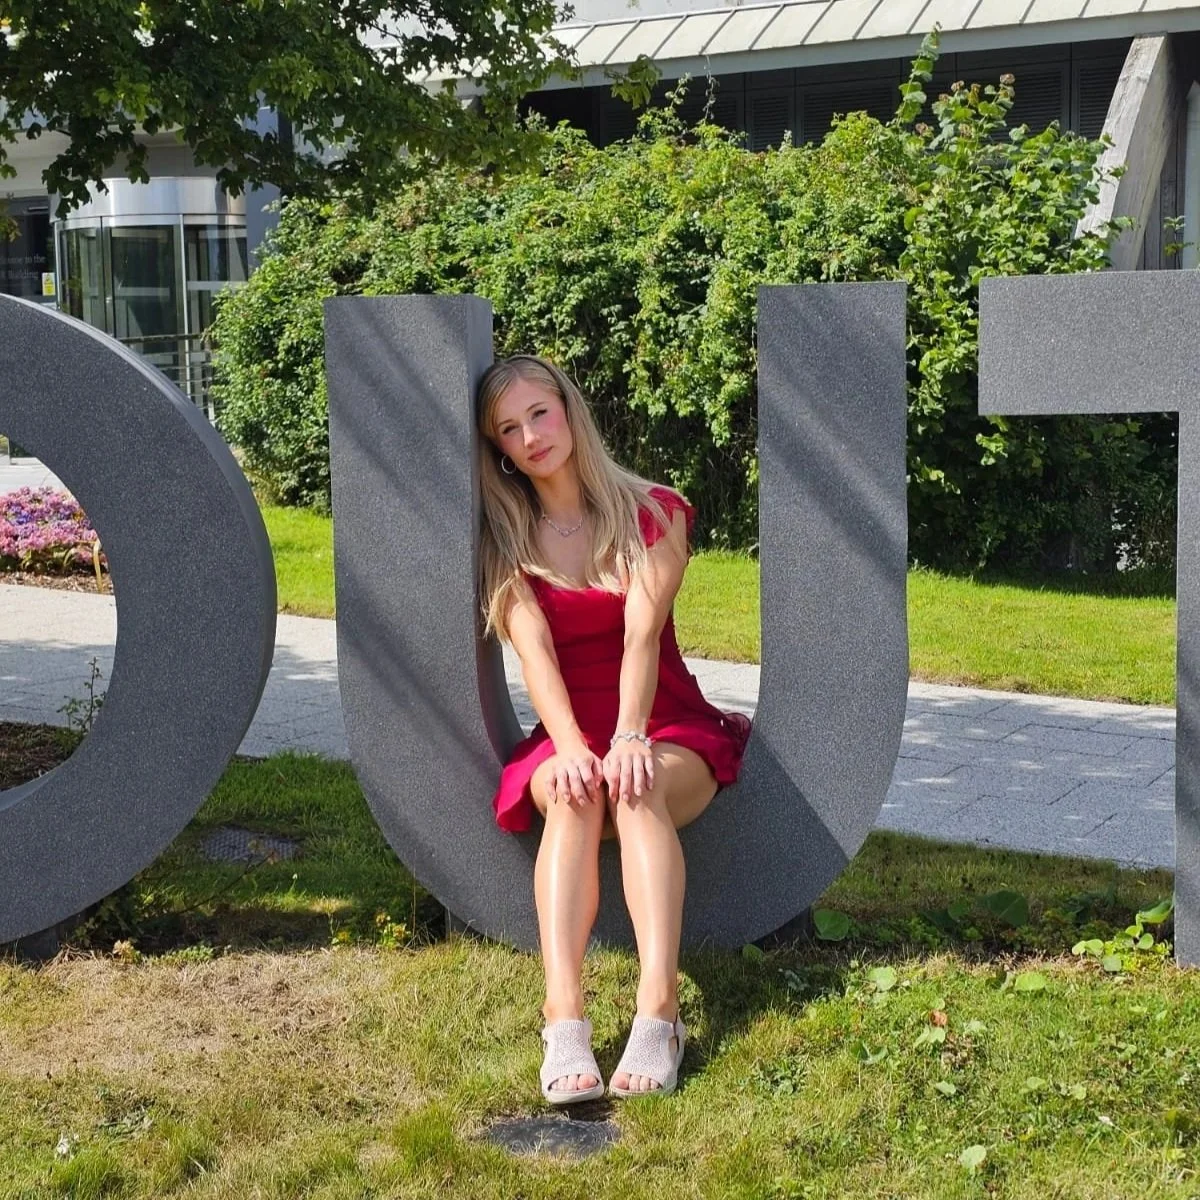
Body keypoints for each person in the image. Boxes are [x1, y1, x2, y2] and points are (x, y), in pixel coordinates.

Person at [476, 354, 752, 1103]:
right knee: (571, 794)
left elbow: (641, 634)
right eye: (509, 428)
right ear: (498, 448)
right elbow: (532, 654)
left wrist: (628, 735)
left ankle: (659, 1012)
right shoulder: (504, 538)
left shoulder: (653, 510)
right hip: (568, 727)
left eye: (539, 412)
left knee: (634, 790)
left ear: (567, 409)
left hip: (664, 723)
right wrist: (569, 746)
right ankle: (562, 1018)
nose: (531, 436)